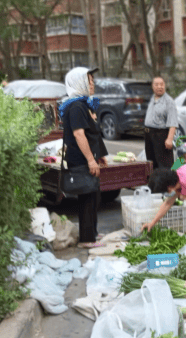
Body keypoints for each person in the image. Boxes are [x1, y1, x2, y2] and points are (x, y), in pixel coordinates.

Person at [59, 66, 108, 249]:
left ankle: (92, 233)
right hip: (80, 160)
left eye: (92, 80)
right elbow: (80, 135)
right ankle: (86, 240)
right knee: (87, 198)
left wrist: (99, 155)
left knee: (94, 196)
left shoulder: (83, 105)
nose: (92, 84)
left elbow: (93, 134)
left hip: (88, 158)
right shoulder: (77, 107)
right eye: (89, 80)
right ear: (79, 82)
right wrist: (90, 159)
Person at [144, 76, 179, 169]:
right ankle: (154, 183)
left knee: (164, 165)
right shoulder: (152, 98)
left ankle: (166, 183)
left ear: (165, 86)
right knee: (151, 163)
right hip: (149, 135)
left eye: (162, 84)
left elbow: (173, 122)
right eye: (157, 84)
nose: (160, 87)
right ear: (152, 86)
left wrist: (170, 139)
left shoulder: (169, 101)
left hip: (161, 136)